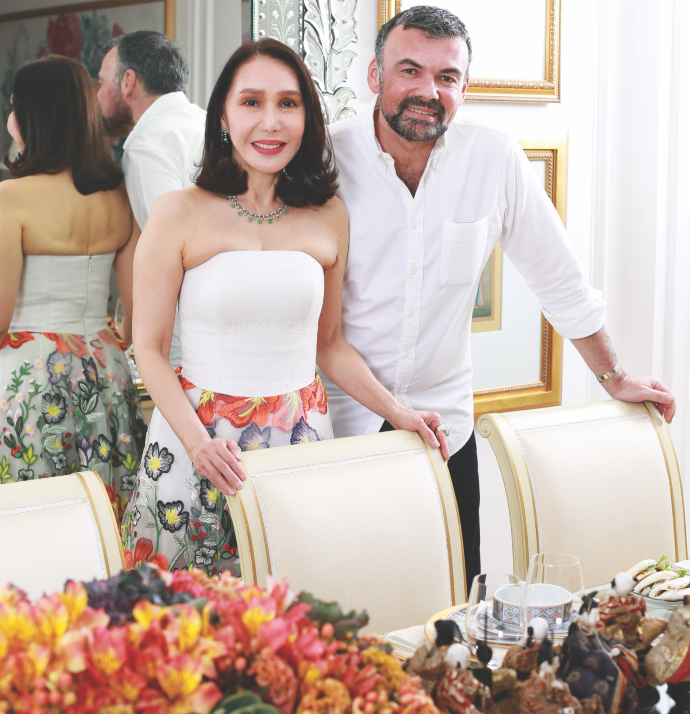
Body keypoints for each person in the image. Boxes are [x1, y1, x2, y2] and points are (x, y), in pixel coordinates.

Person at [325, 5, 677, 588]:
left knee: (455, 602)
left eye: (447, 77)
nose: (428, 91)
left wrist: (614, 378)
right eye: (410, 70)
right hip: (340, 428)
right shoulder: (326, 159)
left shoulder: (493, 158)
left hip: (445, 429)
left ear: (464, 88)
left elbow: (559, 278)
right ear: (374, 75)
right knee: (345, 600)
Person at [121, 38, 447, 576]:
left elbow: (329, 345)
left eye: (288, 104)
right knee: (181, 613)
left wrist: (398, 412)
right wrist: (200, 446)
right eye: (251, 102)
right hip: (197, 442)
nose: (270, 122)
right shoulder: (177, 212)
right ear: (223, 115)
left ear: (306, 117)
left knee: (292, 605)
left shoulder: (329, 214)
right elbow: (149, 350)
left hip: (300, 441)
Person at [0, 56, 145, 521]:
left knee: (35, 516)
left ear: (33, 116)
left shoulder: (11, 198)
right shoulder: (118, 195)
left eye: (16, 106)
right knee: (98, 513)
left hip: (32, 371)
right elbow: (138, 311)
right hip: (105, 368)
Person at [96, 30, 205, 368]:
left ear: (128, 81)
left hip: (189, 343)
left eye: (101, 83)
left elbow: (168, 256)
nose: (98, 95)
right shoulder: (209, 122)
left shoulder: (146, 146)